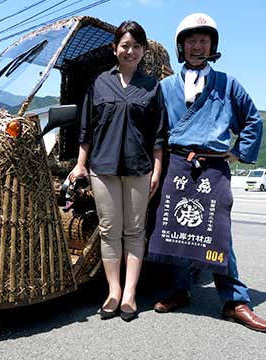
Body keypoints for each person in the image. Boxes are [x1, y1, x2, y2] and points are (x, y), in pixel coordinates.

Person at [147, 12, 266, 332]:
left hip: (214, 165)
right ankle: (180, 290)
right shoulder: (166, 86)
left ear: (212, 45)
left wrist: (239, 151)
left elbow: (253, 119)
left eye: (204, 41)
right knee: (177, 229)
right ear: (181, 47)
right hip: (177, 163)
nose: (197, 46)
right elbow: (155, 129)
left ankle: (234, 300)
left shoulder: (228, 83)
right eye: (191, 41)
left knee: (218, 231)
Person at [68, 20, 167, 322]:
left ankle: (130, 295)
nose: (130, 51)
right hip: (104, 167)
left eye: (136, 46)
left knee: (135, 231)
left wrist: (157, 170)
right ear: (115, 49)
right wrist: (80, 163)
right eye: (125, 45)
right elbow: (87, 129)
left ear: (142, 51)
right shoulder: (99, 83)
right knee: (110, 232)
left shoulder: (151, 87)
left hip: (139, 168)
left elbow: (159, 134)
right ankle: (113, 291)